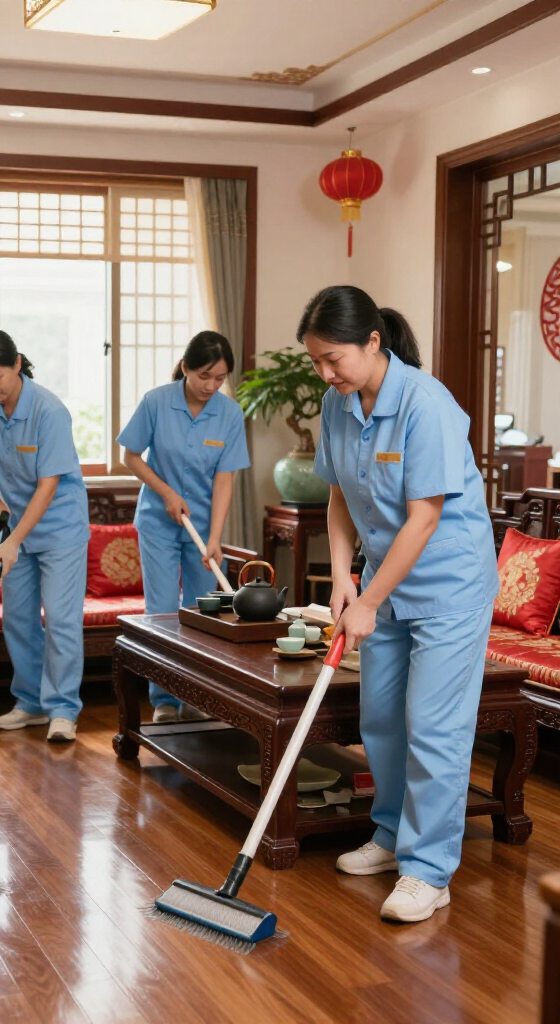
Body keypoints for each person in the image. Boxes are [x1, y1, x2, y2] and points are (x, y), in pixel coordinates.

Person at [302, 285, 499, 923]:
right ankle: (390, 837)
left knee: (435, 727)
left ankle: (429, 870)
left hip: (447, 584)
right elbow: (337, 496)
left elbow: (423, 518)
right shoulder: (338, 405)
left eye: (334, 359)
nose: (326, 373)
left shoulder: (426, 404)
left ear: (373, 342)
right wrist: (341, 579)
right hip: (382, 582)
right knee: (382, 718)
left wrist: (369, 599)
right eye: (317, 362)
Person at [117, 331, 250, 722]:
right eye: (204, 376)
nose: (211, 386)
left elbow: (225, 479)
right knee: (161, 612)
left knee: (203, 613)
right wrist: (166, 492)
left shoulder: (229, 413)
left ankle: (197, 698)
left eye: (220, 378)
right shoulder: (157, 402)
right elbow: (130, 456)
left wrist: (214, 539)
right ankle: (164, 701)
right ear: (186, 367)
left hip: (204, 528)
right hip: (158, 522)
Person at [0, 328, 89, 742]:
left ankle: (63, 709)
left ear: (17, 364)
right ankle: (31, 703)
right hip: (15, 525)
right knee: (17, 619)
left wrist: (14, 539)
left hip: (60, 528)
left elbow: (48, 485)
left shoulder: (49, 411)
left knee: (60, 618)